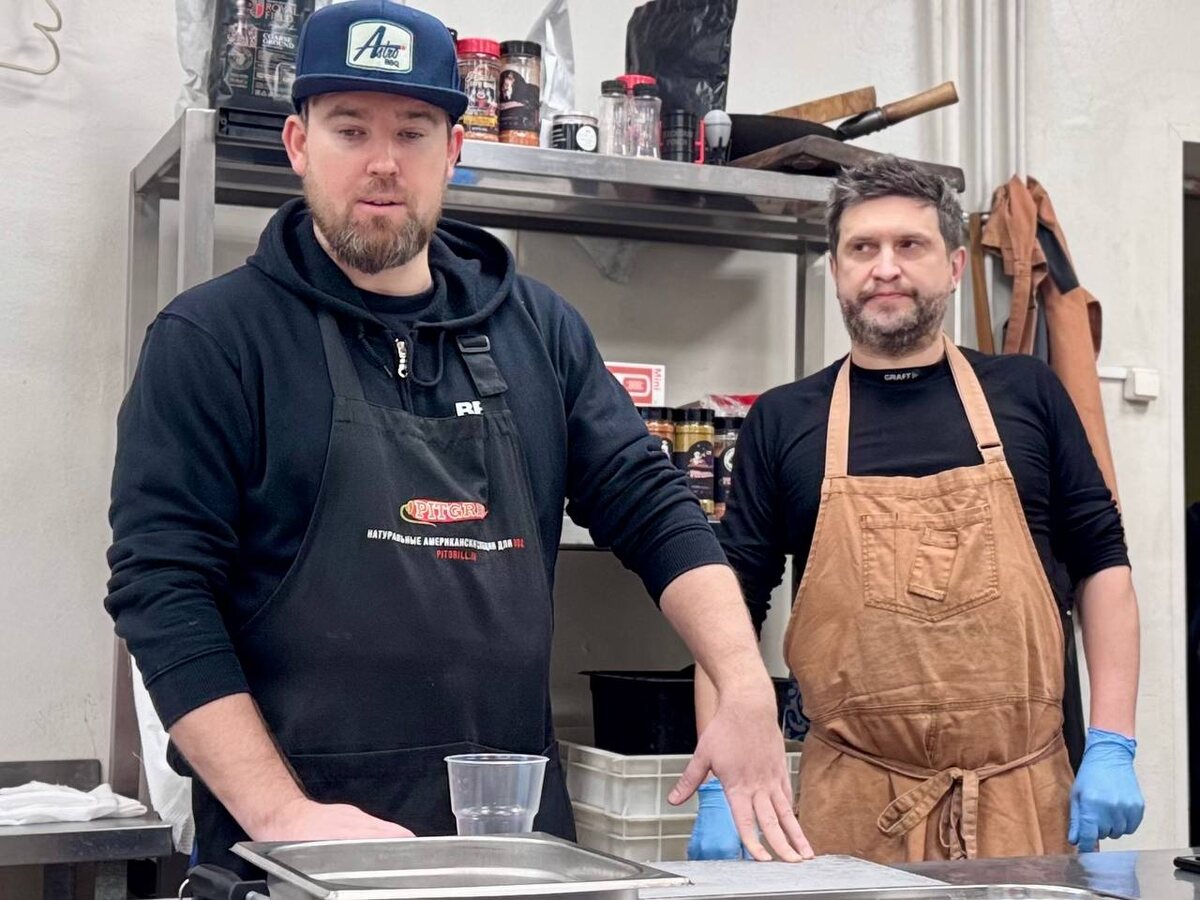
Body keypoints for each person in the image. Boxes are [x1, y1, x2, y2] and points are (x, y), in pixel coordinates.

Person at [106, 0, 809, 875]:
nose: (382, 162)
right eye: (350, 129)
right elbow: (164, 593)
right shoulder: (214, 342)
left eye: (413, 132)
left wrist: (741, 680)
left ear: (454, 151)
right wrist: (281, 814)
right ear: (297, 144)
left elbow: (653, 506)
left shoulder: (538, 331)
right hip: (294, 858)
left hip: (515, 853)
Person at [688, 156, 1144, 862]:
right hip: (848, 812)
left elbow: (1103, 562)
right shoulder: (785, 419)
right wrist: (727, 780)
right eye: (862, 248)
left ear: (955, 266)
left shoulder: (1027, 393)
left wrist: (1113, 740)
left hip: (1024, 798)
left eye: (910, 245)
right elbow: (730, 603)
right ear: (836, 270)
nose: (885, 268)